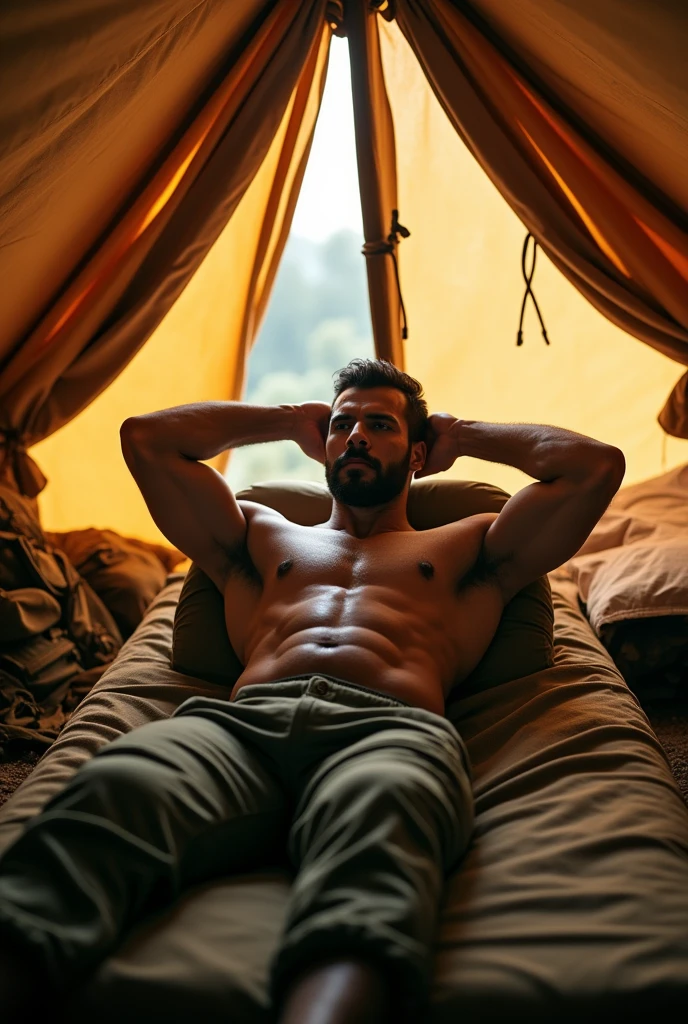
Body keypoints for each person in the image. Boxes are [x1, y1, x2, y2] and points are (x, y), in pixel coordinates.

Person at [0, 358, 625, 1023]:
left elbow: (594, 467)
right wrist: (286, 421)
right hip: (241, 730)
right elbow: (146, 439)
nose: (354, 435)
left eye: (378, 424)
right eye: (341, 423)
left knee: (378, 857)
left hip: (392, 730)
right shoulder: (259, 532)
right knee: (113, 792)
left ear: (416, 453)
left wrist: (461, 434)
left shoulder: (471, 543)